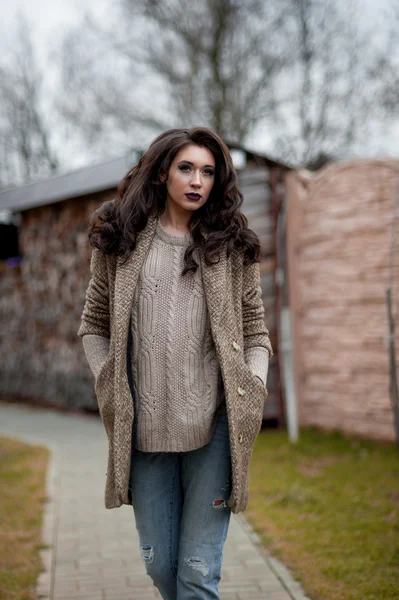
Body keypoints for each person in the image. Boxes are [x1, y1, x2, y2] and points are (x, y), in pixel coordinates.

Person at [77, 127, 273, 600]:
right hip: (145, 436)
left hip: (214, 430)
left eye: (208, 171)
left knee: (197, 575)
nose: (196, 181)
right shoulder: (121, 240)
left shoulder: (230, 246)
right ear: (163, 170)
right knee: (163, 570)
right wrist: (110, 382)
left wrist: (254, 383)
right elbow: (93, 323)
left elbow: (256, 331)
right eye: (186, 168)